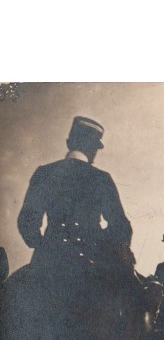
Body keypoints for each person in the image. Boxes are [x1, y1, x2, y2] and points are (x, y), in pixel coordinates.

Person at [17, 116, 135, 286]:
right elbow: (121, 227)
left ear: (68, 142)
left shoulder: (44, 172)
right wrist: (103, 244)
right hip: (92, 263)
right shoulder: (102, 178)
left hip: (49, 262)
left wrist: (44, 247)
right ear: (94, 149)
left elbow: (27, 221)